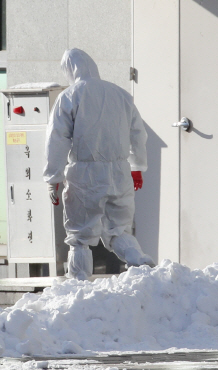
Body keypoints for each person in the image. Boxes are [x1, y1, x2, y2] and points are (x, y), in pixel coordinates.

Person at [44, 48, 155, 280]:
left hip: (85, 174)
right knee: (118, 230)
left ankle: (79, 283)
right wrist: (137, 167)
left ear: (70, 70)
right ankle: (141, 263)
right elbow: (138, 133)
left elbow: (56, 138)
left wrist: (53, 177)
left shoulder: (71, 96)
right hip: (120, 173)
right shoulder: (121, 94)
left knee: (80, 236)